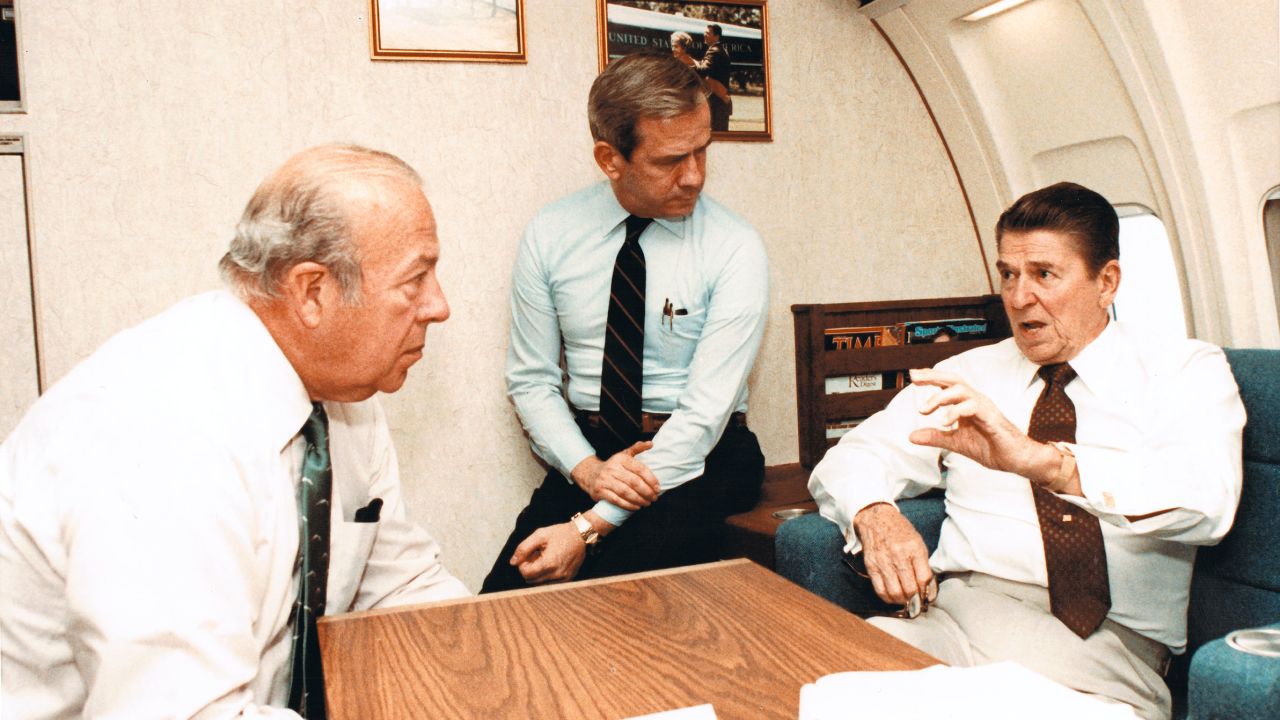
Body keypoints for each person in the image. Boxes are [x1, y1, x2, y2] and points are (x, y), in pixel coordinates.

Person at [0, 144, 470, 719]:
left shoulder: (344, 395)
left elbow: (400, 589)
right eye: (415, 280)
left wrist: (496, 673)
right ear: (312, 291)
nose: (439, 306)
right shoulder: (156, 439)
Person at [809, 182, 1245, 720]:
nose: (1018, 298)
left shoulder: (1184, 371)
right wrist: (876, 516)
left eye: (1043, 274)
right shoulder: (967, 374)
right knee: (820, 692)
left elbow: (1208, 506)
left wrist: (1046, 464)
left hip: (1100, 665)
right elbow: (853, 456)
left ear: (1106, 282)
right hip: (953, 627)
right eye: (1008, 275)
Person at [481, 52, 768, 593]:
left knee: (609, 601)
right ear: (610, 159)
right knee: (500, 603)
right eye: (670, 160)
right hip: (591, 458)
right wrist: (588, 472)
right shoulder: (551, 234)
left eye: (702, 151)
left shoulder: (735, 247)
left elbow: (705, 415)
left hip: (699, 461)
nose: (695, 177)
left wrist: (587, 527)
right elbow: (532, 380)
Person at [673, 24, 733, 132]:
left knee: (717, 133)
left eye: (708, 33)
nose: (704, 35)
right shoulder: (718, 49)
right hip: (719, 99)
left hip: (717, 101)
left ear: (717, 36)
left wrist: (688, 64)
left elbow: (703, 70)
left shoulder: (715, 50)